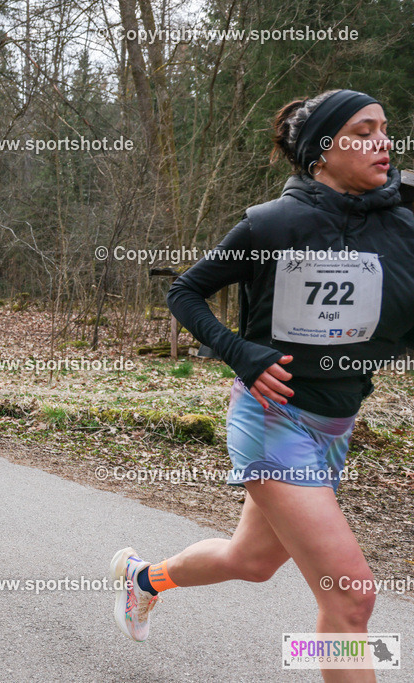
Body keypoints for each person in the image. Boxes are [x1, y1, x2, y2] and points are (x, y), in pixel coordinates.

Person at [110, 90, 414, 681]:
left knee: (250, 561)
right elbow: (184, 291)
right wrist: (240, 353)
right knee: (351, 598)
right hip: (274, 420)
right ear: (320, 152)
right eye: (362, 130)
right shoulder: (274, 223)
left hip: (336, 423)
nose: (383, 142)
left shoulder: (403, 224)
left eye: (385, 129)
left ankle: (143, 578)